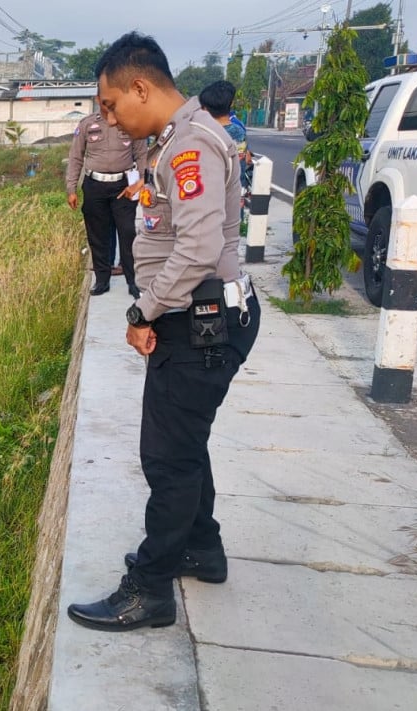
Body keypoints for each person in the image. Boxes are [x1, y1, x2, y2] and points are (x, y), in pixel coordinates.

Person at [67, 31, 261, 632]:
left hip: (199, 324)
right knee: (184, 445)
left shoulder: (189, 147)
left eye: (109, 104)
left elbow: (200, 246)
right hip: (198, 318)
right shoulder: (175, 140)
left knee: (167, 458)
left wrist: (143, 310)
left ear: (141, 87)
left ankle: (149, 590)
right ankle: (200, 548)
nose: (107, 117)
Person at [66, 98, 148, 297]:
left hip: (124, 185)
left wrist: (142, 182)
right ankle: (102, 280)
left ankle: (133, 281)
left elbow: (142, 155)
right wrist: (71, 188)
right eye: (104, 101)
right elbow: (76, 157)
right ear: (97, 100)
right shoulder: (87, 124)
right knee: (98, 234)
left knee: (127, 232)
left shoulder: (130, 122)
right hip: (95, 185)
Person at [199, 81, 250, 191]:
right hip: (236, 190)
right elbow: (244, 159)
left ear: (205, 108)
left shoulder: (204, 132)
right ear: (231, 103)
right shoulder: (239, 131)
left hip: (209, 194)